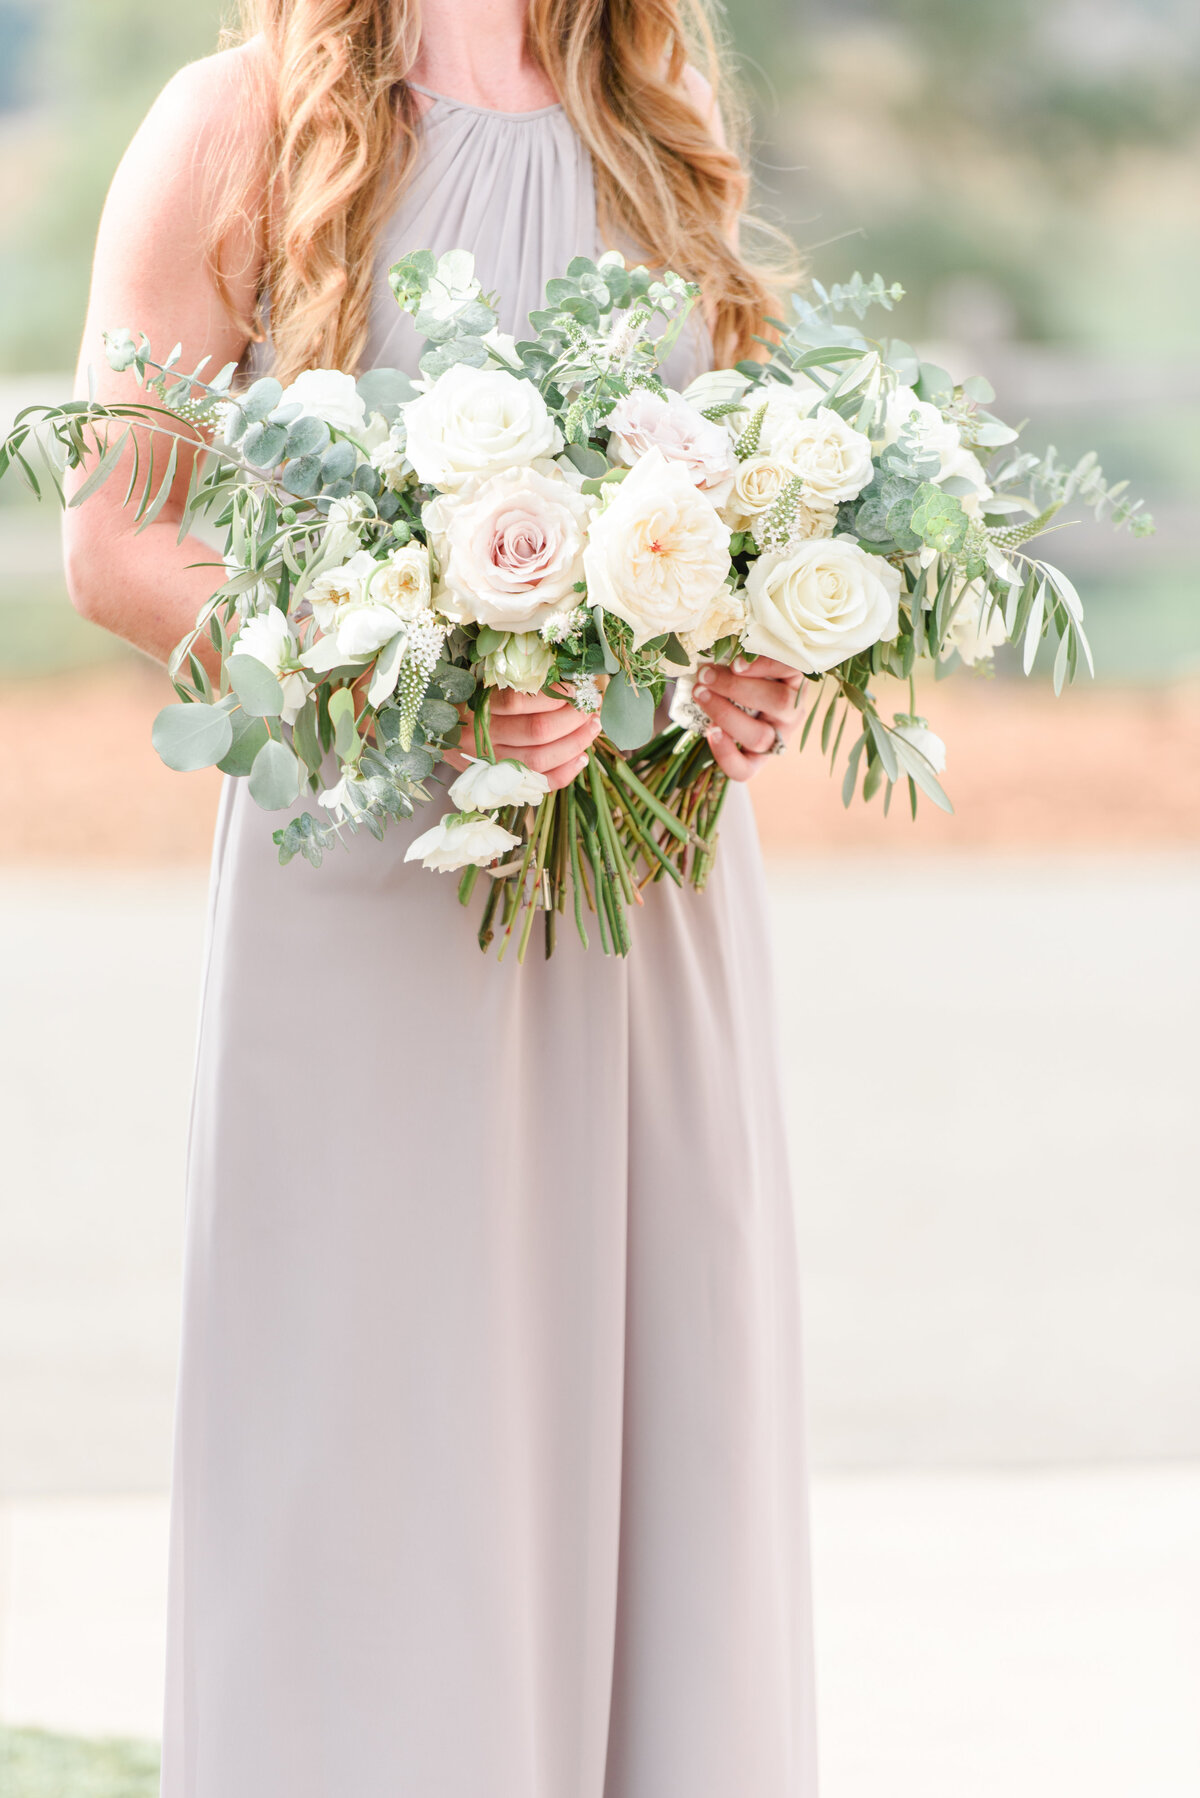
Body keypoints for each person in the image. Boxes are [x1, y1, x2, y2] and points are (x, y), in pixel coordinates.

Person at [65, 3, 817, 1792]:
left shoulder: (659, 105)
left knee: (666, 1413)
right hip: (373, 894)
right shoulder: (235, 124)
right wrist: (405, 684)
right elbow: (115, 542)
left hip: (647, 882)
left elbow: (707, 494)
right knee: (383, 1423)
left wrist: (745, 648)